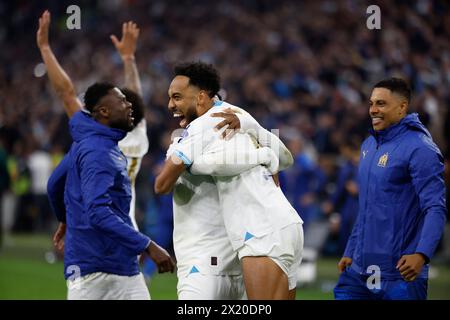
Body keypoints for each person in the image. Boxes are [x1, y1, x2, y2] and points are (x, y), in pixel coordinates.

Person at [155, 62, 304, 300]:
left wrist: (184, 159)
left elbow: (161, 185)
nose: (170, 105)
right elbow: (286, 158)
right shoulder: (240, 116)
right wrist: (265, 155)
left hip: (258, 230)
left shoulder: (202, 126)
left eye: (177, 97)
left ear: (201, 97)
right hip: (288, 224)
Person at [47, 82, 175, 300]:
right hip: (95, 269)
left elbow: (54, 185)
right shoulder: (99, 152)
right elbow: (97, 212)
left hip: (119, 264)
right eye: (122, 101)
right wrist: (148, 245)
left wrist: (65, 218)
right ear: (104, 111)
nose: (129, 105)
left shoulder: (87, 144)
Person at [37, 11, 148, 246]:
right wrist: (129, 59)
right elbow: (136, 96)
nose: (127, 105)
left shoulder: (93, 135)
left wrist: (45, 49)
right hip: (127, 230)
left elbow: (66, 94)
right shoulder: (138, 135)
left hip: (96, 230)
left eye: (124, 102)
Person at [334, 77, 447, 300]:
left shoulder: (420, 148)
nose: (373, 110)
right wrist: (351, 250)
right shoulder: (368, 145)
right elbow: (366, 207)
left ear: (402, 107)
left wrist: (421, 254)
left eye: (381, 104)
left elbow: (435, 207)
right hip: (358, 270)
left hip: (399, 274)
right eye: (371, 103)